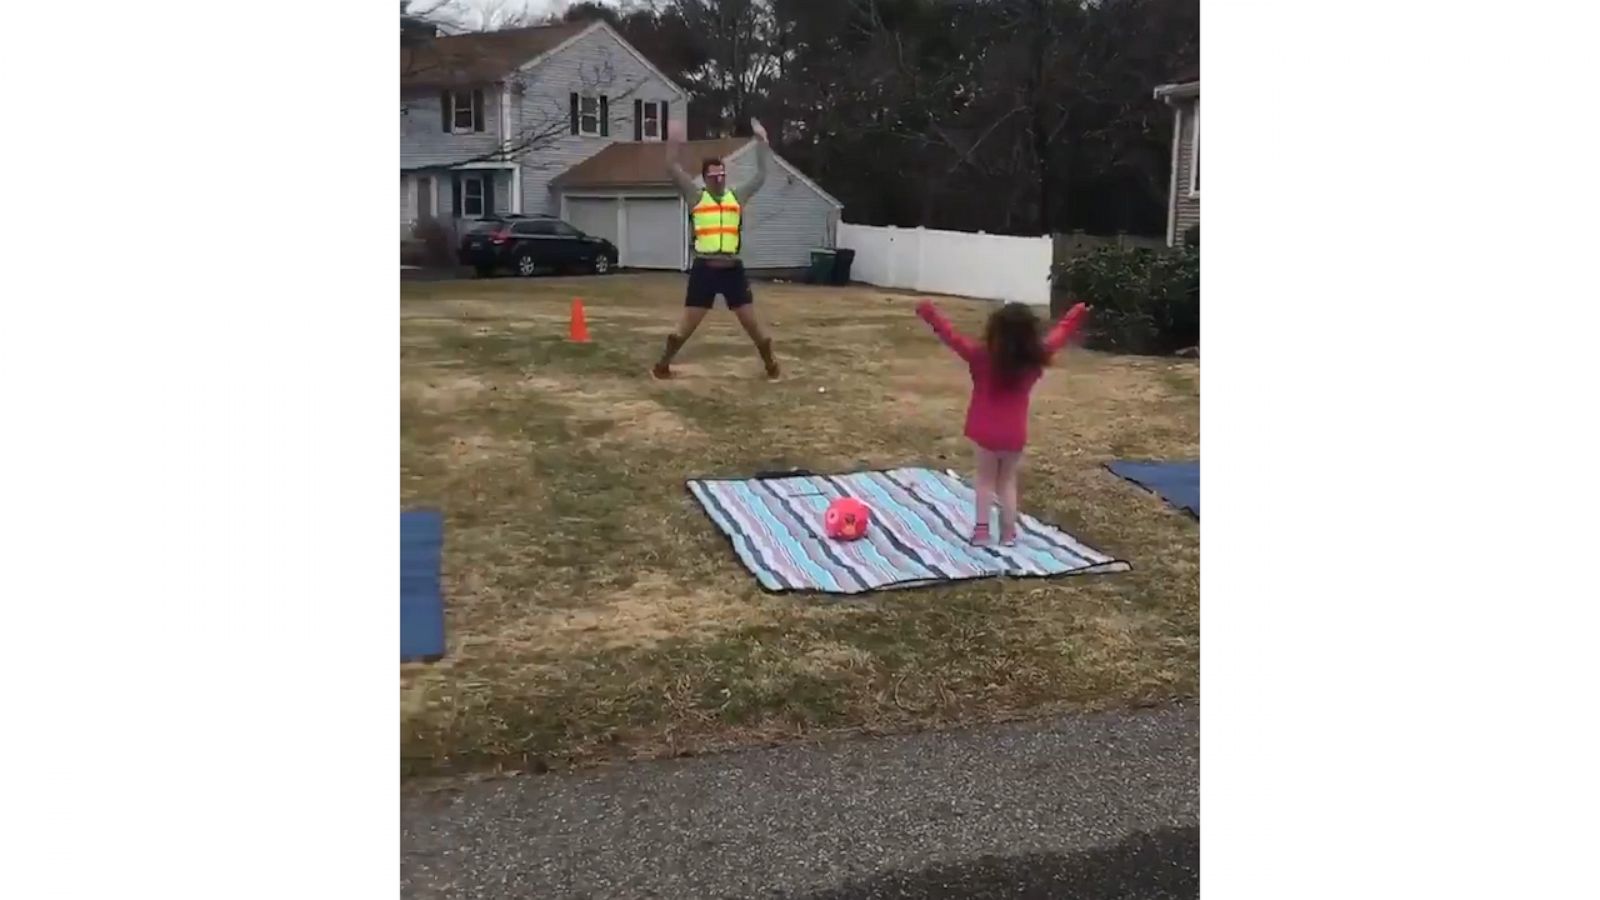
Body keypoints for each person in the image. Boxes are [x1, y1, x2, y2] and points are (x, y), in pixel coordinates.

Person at [915, 298, 1091, 545]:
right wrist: (1077, 313)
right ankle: (1008, 534)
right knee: (1007, 482)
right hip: (1014, 433)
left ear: (995, 329)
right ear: (1030, 332)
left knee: (985, 480)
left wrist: (929, 314)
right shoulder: (1035, 357)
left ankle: (982, 532)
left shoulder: (980, 356)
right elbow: (1060, 334)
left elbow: (951, 336)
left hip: (983, 430)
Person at [652, 118, 780, 381]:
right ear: (706, 176)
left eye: (722, 173)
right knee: (686, 326)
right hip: (705, 271)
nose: (719, 178)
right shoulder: (695, 196)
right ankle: (662, 365)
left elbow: (760, 176)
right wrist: (673, 142)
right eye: (714, 174)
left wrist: (761, 143)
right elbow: (671, 167)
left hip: (733, 271)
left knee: (752, 324)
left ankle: (770, 364)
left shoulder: (738, 196)